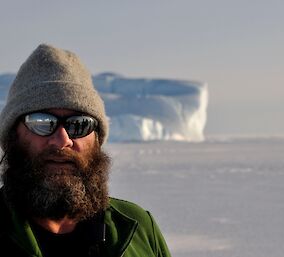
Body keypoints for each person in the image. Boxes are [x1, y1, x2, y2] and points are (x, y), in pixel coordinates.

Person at [0, 44, 171, 257]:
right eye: (42, 122)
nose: (62, 140)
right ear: (12, 136)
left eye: (79, 124)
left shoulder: (137, 228)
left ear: (97, 138)